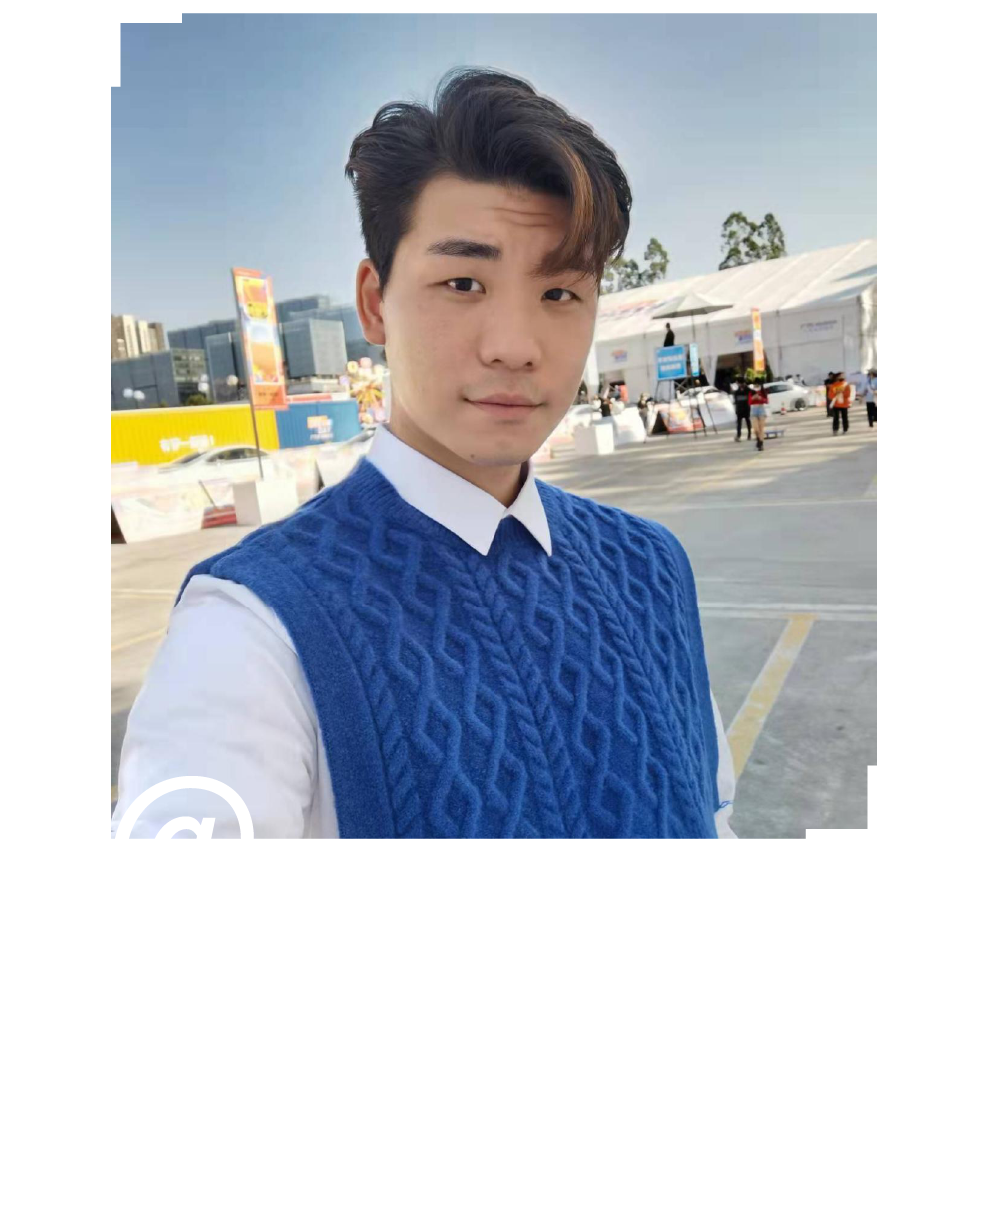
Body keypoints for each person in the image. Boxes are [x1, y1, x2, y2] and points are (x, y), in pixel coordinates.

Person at [111, 67, 735, 840]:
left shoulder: (652, 567)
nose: (514, 346)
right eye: (464, 282)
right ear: (375, 303)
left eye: (560, 293)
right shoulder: (252, 632)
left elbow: (714, 818)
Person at [749, 378, 768, 450]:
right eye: (755, 384)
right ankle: (758, 440)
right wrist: (753, 398)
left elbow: (766, 401)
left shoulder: (763, 391)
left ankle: (761, 444)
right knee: (755, 429)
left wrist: (761, 398)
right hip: (754, 409)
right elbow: (749, 402)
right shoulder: (751, 392)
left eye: (757, 384)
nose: (756, 386)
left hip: (761, 409)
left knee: (761, 429)